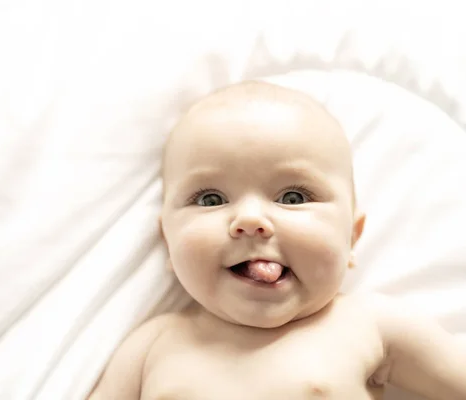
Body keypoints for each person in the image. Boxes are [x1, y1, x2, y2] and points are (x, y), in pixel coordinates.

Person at [88, 81, 466, 400]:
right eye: (211, 199)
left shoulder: (369, 324)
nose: (250, 220)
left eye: (293, 198)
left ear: (351, 238)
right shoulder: (151, 347)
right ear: (169, 242)